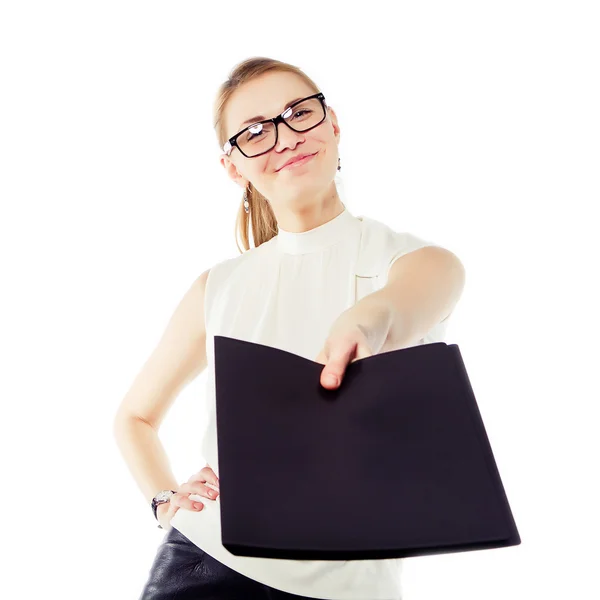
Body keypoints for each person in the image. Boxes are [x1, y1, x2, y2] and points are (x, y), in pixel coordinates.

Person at [113, 56, 466, 600]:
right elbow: (135, 417)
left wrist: (364, 322)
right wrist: (166, 501)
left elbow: (405, 301)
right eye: (254, 131)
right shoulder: (219, 287)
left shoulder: (415, 260)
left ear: (333, 125)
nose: (283, 137)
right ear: (233, 166)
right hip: (207, 567)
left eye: (298, 112)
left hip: (354, 584)